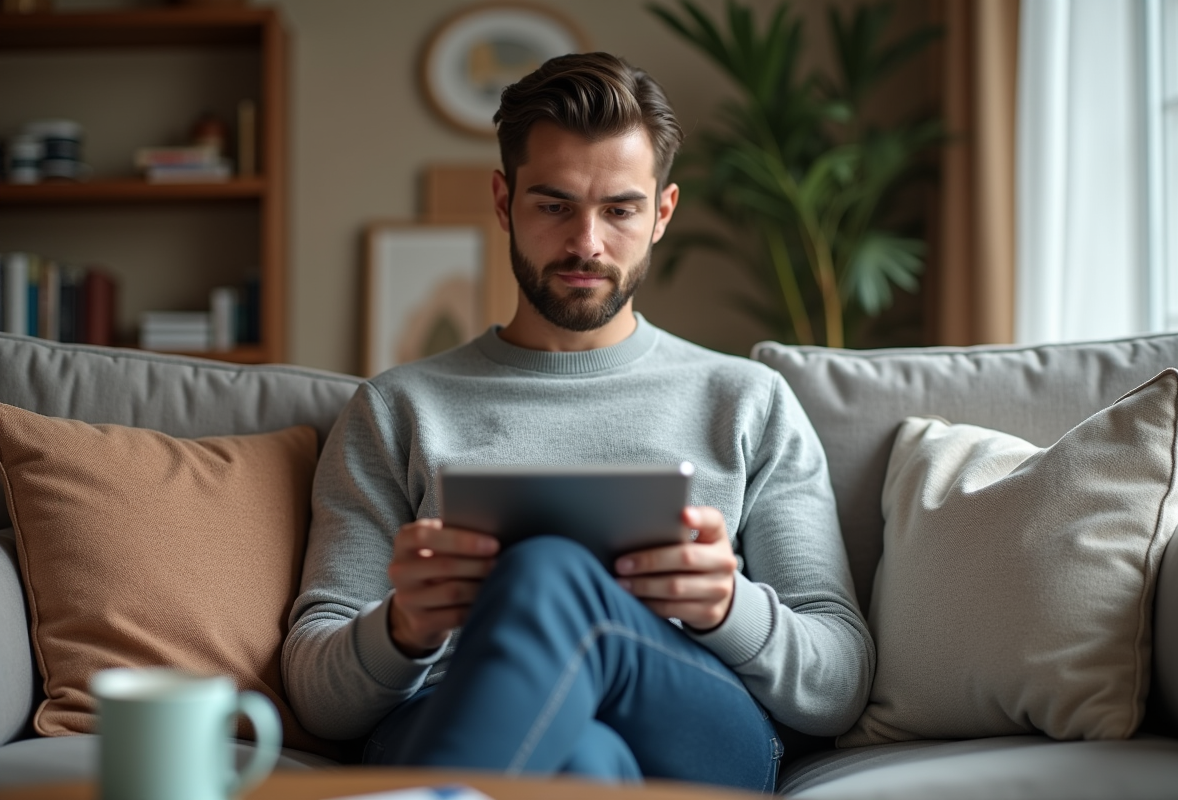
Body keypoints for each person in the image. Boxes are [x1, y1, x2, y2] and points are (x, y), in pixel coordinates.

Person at [283, 52, 873, 791]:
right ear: (503, 202)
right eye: (554, 204)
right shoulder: (398, 407)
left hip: (695, 726)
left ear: (661, 215)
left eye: (619, 209)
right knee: (588, 762)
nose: (587, 243)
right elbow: (314, 690)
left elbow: (839, 678)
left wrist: (729, 607)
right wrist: (403, 628)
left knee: (549, 571)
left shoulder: (746, 400)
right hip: (452, 710)